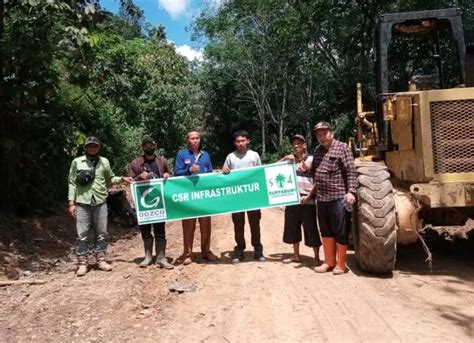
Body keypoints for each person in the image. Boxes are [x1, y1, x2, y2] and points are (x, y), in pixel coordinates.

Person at [68, 136, 132, 277]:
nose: (92, 148)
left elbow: (110, 179)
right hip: (82, 203)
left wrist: (122, 178)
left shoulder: (104, 162)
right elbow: (72, 183)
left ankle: (101, 259)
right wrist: (71, 203)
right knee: (82, 235)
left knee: (102, 233)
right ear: (85, 148)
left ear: (99, 148)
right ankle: (82, 263)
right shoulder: (77, 162)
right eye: (90, 146)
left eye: (95, 146)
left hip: (100, 202)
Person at [302, 122, 356, 275]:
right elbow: (315, 172)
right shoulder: (318, 151)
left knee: (340, 230)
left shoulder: (342, 148)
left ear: (331, 133)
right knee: (325, 230)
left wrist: (351, 191)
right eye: (318, 135)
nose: (321, 137)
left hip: (339, 197)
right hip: (322, 198)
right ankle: (329, 261)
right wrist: (306, 170)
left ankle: (341, 264)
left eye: (324, 134)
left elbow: (351, 171)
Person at [174, 130, 218, 265]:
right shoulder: (182, 155)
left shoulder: (206, 156)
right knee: (188, 225)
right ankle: (187, 253)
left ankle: (206, 251)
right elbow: (176, 173)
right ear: (188, 140)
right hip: (188, 196)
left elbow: (210, 173)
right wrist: (188, 170)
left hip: (203, 196)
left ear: (200, 140)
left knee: (206, 224)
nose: (195, 140)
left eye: (197, 138)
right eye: (192, 138)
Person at [129, 136, 173, 269]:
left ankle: (161, 257)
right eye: (145, 145)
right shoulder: (135, 163)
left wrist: (167, 175)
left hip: (159, 201)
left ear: (155, 146)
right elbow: (130, 180)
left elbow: (170, 174)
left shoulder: (162, 161)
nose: (148, 147)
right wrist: (138, 178)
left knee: (160, 229)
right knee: (145, 230)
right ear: (142, 147)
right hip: (143, 202)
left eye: (151, 145)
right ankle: (148, 257)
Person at [222, 130, 265, 264]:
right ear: (235, 143)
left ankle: (258, 249)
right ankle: (240, 249)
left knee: (255, 224)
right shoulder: (230, 157)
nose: (241, 143)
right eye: (238, 141)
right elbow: (224, 175)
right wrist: (224, 171)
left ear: (248, 141)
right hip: (237, 198)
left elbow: (260, 173)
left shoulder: (254, 155)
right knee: (238, 225)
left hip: (252, 197)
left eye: (243, 141)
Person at [280, 134, 321, 265]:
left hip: (308, 201)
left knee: (311, 228)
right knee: (293, 228)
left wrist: (309, 196)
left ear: (304, 145)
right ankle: (296, 255)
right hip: (293, 200)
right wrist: (283, 159)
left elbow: (318, 180)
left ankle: (317, 258)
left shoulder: (312, 160)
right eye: (294, 144)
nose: (296, 146)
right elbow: (272, 170)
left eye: (299, 143)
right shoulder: (289, 161)